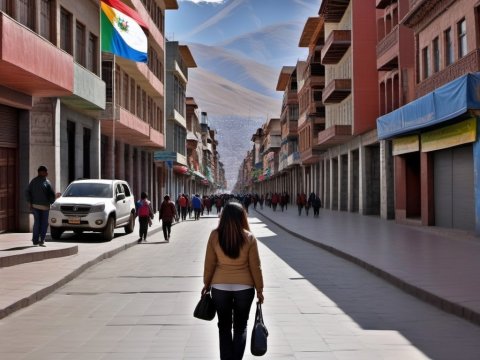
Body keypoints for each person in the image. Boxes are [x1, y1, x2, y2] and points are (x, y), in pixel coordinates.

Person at [202, 201, 264, 360]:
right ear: (242, 217)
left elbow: (209, 263)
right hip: (245, 288)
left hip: (219, 287)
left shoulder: (214, 235)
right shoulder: (249, 237)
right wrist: (260, 290)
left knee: (223, 327)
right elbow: (255, 266)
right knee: (240, 327)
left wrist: (206, 284)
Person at [26, 165, 56, 247]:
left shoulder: (37, 181)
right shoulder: (43, 182)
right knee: (42, 223)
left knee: (40, 223)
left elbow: (28, 192)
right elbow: (51, 194)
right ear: (40, 172)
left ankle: (38, 240)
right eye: (45, 171)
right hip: (40, 206)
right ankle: (40, 240)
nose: (47, 173)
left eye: (47, 171)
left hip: (41, 206)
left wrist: (29, 203)